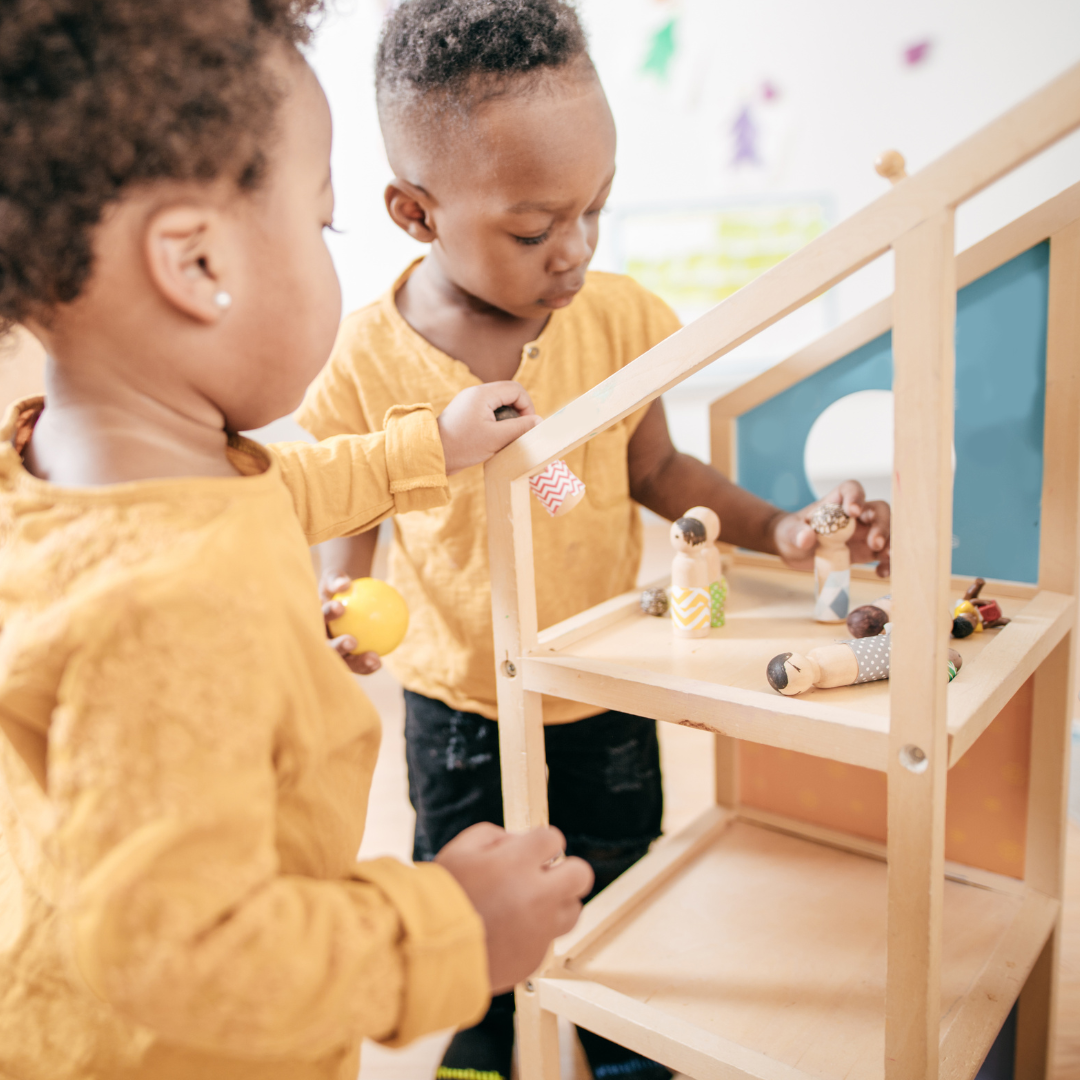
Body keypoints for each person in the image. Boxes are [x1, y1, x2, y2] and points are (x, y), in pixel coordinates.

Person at [0, 3, 595, 1078]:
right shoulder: (172, 600)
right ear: (195, 267)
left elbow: (283, 488)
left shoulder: (67, 479)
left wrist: (432, 447)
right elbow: (185, 947)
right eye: (323, 226)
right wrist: (448, 923)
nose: (332, 255)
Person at [301, 2, 892, 1078]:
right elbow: (351, 501)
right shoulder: (364, 360)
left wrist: (782, 529)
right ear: (413, 211)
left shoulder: (619, 321)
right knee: (472, 906)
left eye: (596, 212)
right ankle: (482, 1045)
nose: (572, 251)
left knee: (620, 900)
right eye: (534, 230)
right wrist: (343, 597)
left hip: (605, 682)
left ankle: (621, 1048)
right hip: (461, 703)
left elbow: (659, 472)